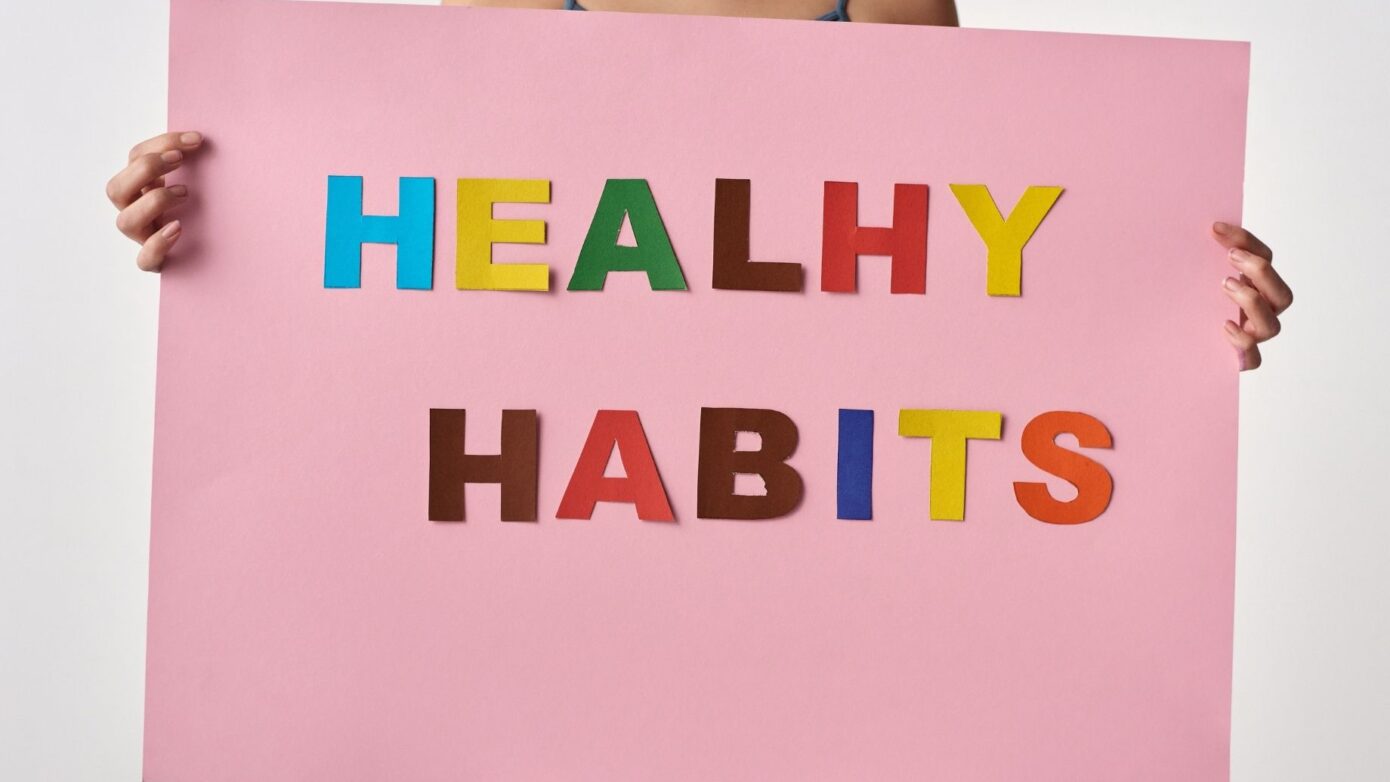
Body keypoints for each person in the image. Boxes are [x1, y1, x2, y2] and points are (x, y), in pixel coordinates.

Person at [105, 0, 1292, 369]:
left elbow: (968, 259)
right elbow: (411, 271)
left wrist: (1178, 305)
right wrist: (226, 221)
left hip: (796, 516)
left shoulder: (883, 1)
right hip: (537, 520)